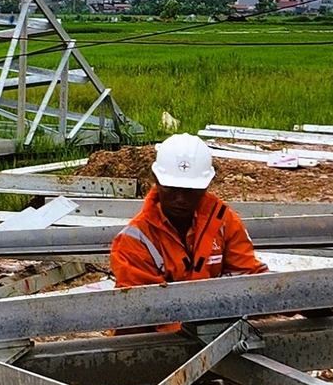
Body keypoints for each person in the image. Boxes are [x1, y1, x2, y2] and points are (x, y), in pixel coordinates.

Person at [110, 134, 266, 328]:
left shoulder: (223, 222)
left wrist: (301, 301)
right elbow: (141, 313)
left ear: (206, 186)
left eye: (190, 190)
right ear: (156, 181)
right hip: (157, 345)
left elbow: (250, 278)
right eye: (172, 189)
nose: (181, 199)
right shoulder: (135, 240)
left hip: (218, 331)